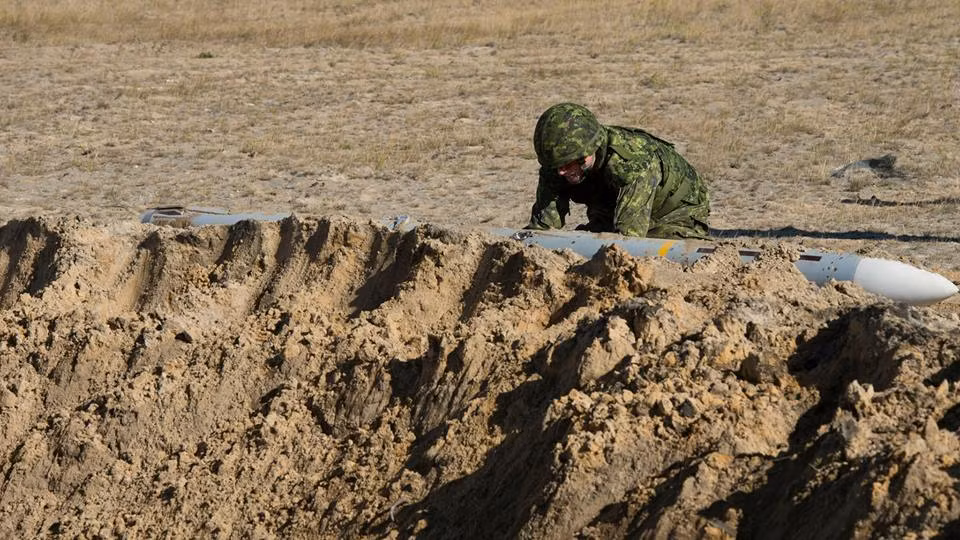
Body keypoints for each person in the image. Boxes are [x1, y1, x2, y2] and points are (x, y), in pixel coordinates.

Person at [526, 102, 710, 239]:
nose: (560, 172)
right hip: (614, 207)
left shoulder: (630, 164)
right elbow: (541, 229)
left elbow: (628, 239)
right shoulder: (558, 163)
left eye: (567, 165)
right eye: (556, 167)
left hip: (674, 214)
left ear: (588, 153)